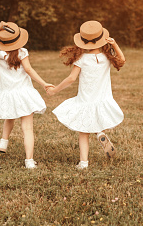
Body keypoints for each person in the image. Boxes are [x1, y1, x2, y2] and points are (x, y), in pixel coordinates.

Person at [47, 20, 125, 169]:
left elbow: (71, 78)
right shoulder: (106, 57)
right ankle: (98, 131)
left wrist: (55, 90)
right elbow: (122, 60)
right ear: (102, 39)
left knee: (83, 132)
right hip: (102, 99)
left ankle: (83, 163)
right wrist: (114, 44)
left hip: (85, 99)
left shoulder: (82, 59)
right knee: (95, 118)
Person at [0, 21, 53, 169]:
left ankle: (3, 141)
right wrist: (44, 83)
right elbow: (29, 70)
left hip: (7, 93)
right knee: (27, 129)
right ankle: (29, 161)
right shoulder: (22, 52)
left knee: (10, 117)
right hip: (23, 93)